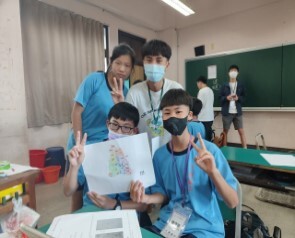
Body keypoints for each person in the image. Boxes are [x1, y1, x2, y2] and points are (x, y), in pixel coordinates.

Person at [130, 89, 238, 238]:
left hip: (203, 228)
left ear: (190, 116)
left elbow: (233, 202)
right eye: (167, 113)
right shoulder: (160, 155)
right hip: (170, 224)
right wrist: (146, 199)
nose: (172, 116)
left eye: (178, 112)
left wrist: (213, 172)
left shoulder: (209, 152)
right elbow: (162, 194)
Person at [66, 43, 135, 211]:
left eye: (127, 65)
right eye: (118, 63)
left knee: (99, 190)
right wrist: (78, 142)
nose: (122, 69)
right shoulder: (94, 80)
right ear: (110, 62)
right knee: (78, 189)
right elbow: (76, 112)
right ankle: (75, 219)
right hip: (83, 141)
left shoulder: (125, 89)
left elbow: (123, 118)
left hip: (107, 143)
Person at [63, 102, 151, 225]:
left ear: (134, 131)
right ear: (107, 124)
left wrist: (114, 205)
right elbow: (67, 191)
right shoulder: (89, 151)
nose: (119, 131)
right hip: (91, 214)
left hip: (125, 217)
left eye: (126, 127)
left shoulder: (140, 157)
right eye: (115, 125)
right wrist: (74, 167)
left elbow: (143, 206)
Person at [126, 39, 182, 147]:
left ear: (167, 64)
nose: (153, 64)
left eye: (159, 60)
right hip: (143, 152)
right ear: (143, 62)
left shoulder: (176, 89)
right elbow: (128, 126)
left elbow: (182, 125)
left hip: (170, 151)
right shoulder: (134, 92)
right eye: (149, 60)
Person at [219, 65, 247, 148]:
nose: (233, 72)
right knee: (225, 132)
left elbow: (244, 98)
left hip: (237, 112)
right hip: (227, 112)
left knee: (241, 131)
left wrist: (238, 98)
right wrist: (226, 98)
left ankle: (245, 149)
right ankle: (225, 148)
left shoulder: (241, 85)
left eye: (235, 71)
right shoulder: (224, 85)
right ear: (228, 73)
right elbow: (219, 98)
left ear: (238, 73)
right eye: (231, 71)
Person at [196, 76, 214, 141]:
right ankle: (210, 148)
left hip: (203, 118)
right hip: (210, 117)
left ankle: (205, 149)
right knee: (209, 135)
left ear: (200, 83)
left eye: (197, 84)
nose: (197, 86)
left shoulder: (201, 91)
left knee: (203, 136)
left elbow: (199, 105)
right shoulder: (210, 90)